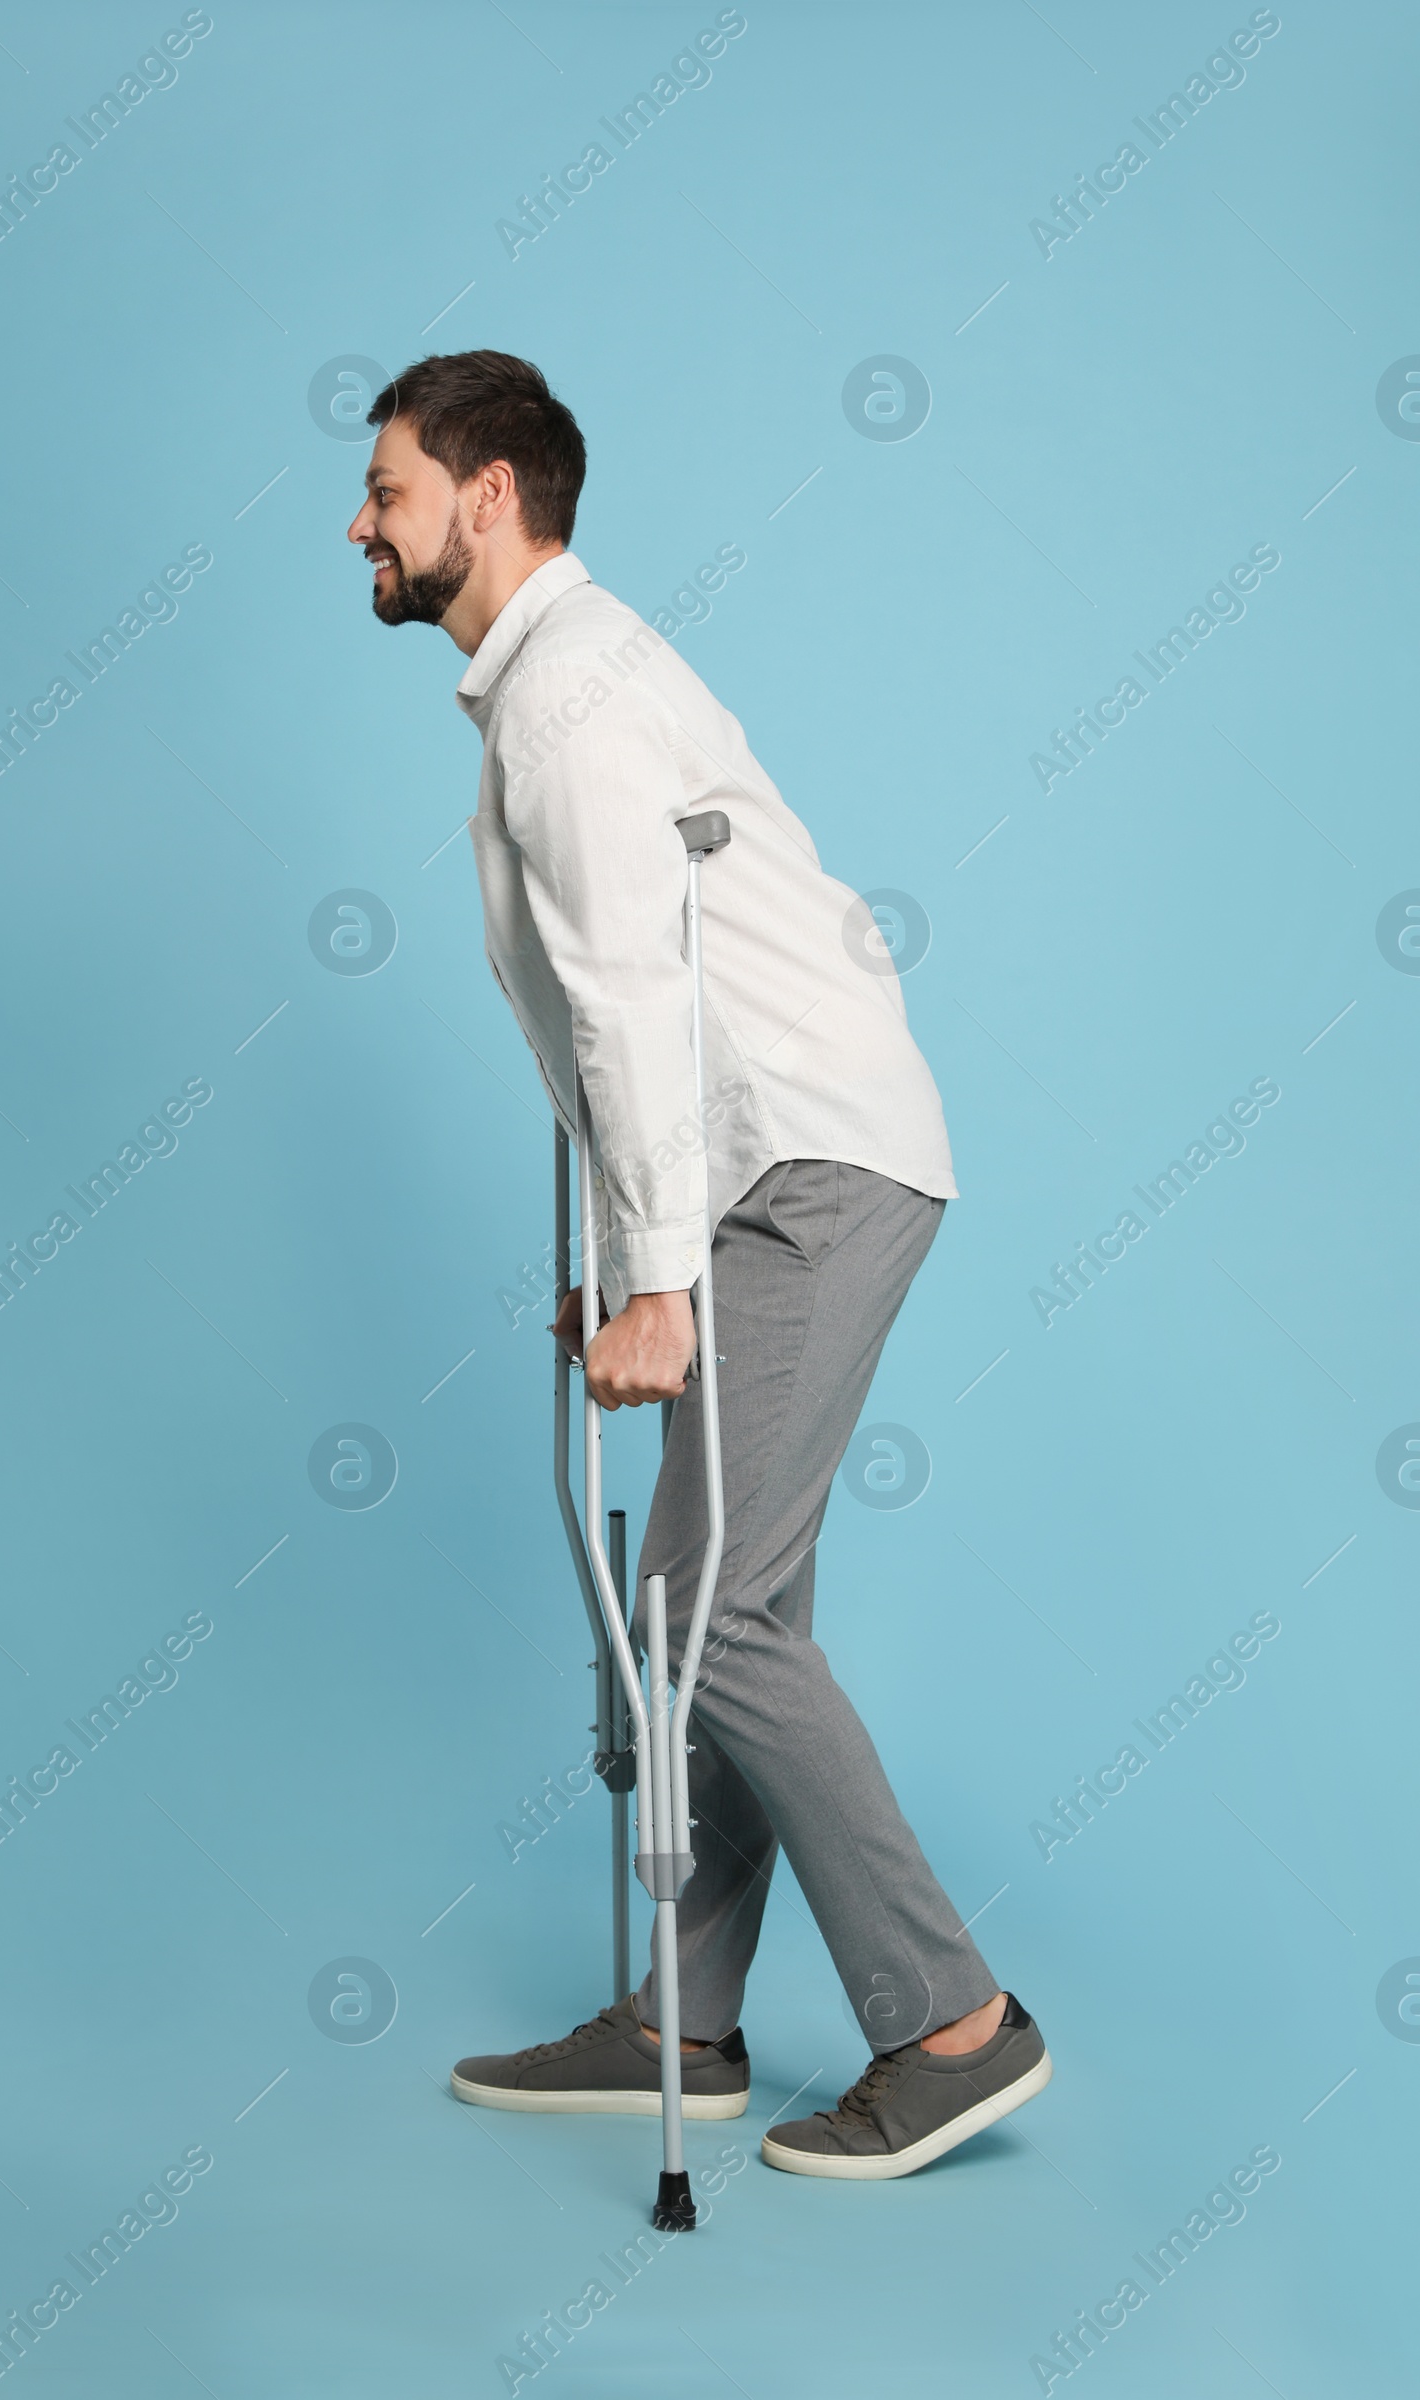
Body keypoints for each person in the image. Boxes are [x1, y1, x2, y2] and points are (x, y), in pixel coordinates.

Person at [347, 350, 1050, 2180]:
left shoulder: (570, 701)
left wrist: (658, 1273)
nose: (363, 523)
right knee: (707, 1613)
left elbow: (637, 996)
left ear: (487, 498)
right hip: (761, 1167)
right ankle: (686, 2020)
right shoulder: (546, 693)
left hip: (806, 1168)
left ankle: (956, 2021)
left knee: (708, 1615)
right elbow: (610, 1027)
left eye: (391, 490)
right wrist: (626, 1252)